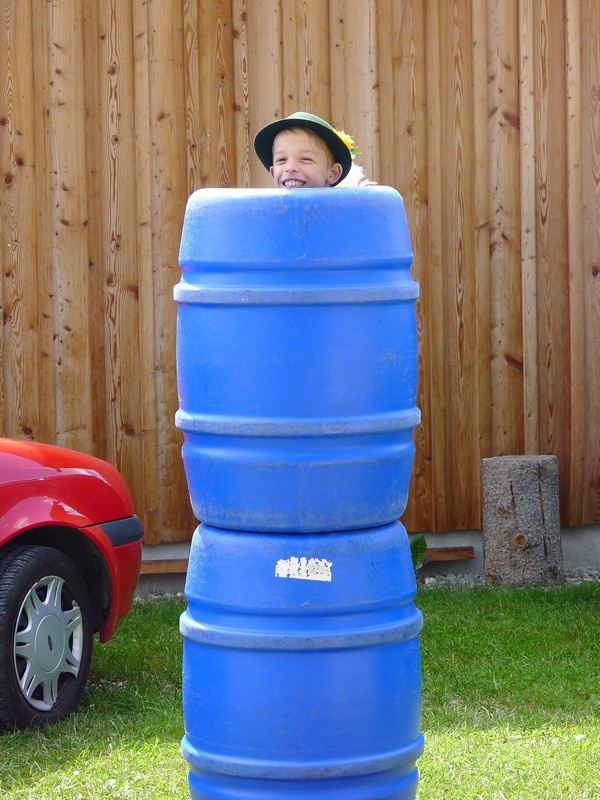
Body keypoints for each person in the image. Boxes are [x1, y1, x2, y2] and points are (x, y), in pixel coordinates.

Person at [254, 111, 365, 189]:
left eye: (306, 159)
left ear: (333, 173)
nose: (290, 168)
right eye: (281, 160)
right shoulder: (264, 212)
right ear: (273, 173)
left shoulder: (345, 211)